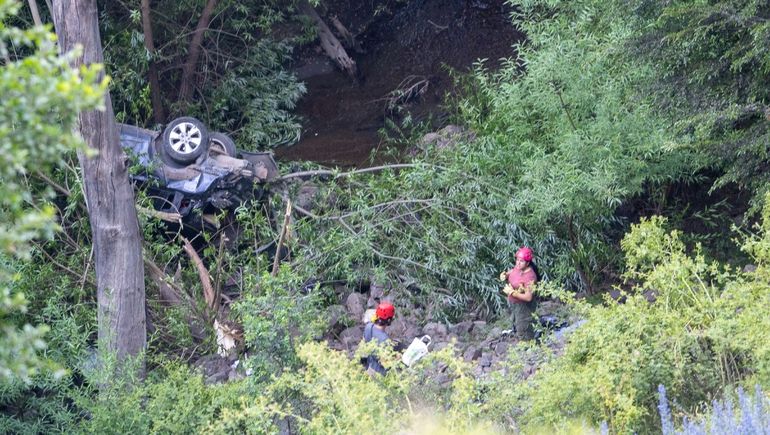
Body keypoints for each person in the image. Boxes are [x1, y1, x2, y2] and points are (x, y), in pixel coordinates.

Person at [500, 246, 538, 341]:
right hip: (514, 304)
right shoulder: (518, 267)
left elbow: (528, 297)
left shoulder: (530, 277)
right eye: (517, 260)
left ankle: (529, 346)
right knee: (515, 321)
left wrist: (513, 293)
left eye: (521, 261)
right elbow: (513, 271)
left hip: (524, 306)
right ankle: (520, 339)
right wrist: (506, 274)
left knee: (523, 327)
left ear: (528, 263)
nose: (518, 263)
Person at [363, 302, 396, 375]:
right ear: (389, 320)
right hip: (378, 373)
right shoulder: (385, 339)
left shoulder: (368, 326)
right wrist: (397, 358)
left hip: (368, 366)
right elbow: (385, 363)